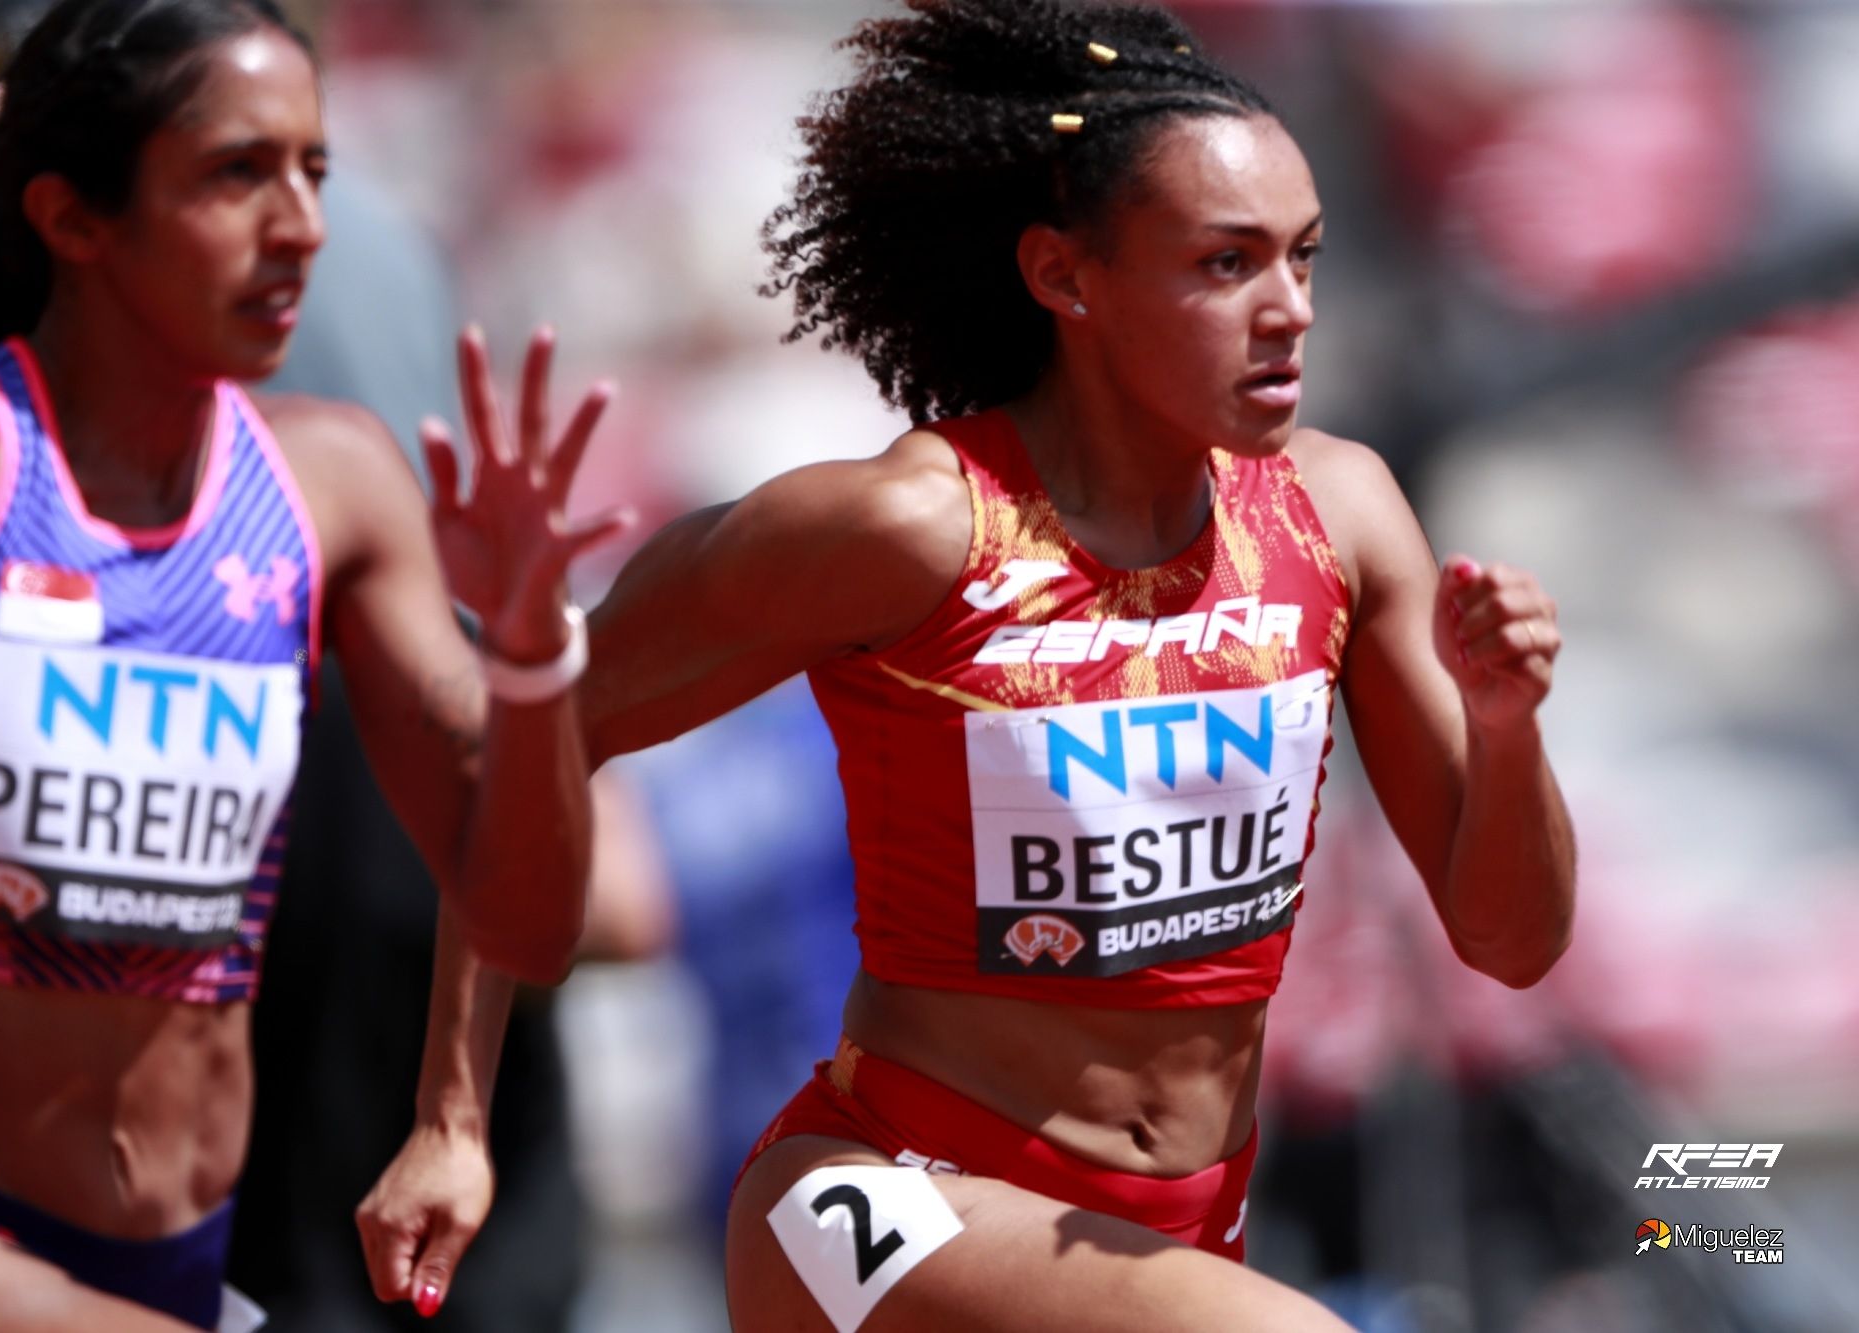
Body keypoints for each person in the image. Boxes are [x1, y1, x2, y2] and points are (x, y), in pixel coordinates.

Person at [431, 1, 1576, 1329]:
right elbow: (520, 739)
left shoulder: (1344, 512)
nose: (1290, 312)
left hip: (1175, 1239)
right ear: (1064, 274)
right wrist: (450, 1117)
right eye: (1226, 264)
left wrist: (1504, 731)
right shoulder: (906, 528)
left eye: (1305, 259)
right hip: (884, 1201)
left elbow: (1513, 941)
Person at [0, 1, 622, 1328]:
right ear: (72, 217)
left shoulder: (331, 488)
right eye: (236, 173)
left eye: (314, 170)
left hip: (190, 1264)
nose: (303, 226)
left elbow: (529, 918)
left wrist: (526, 660)